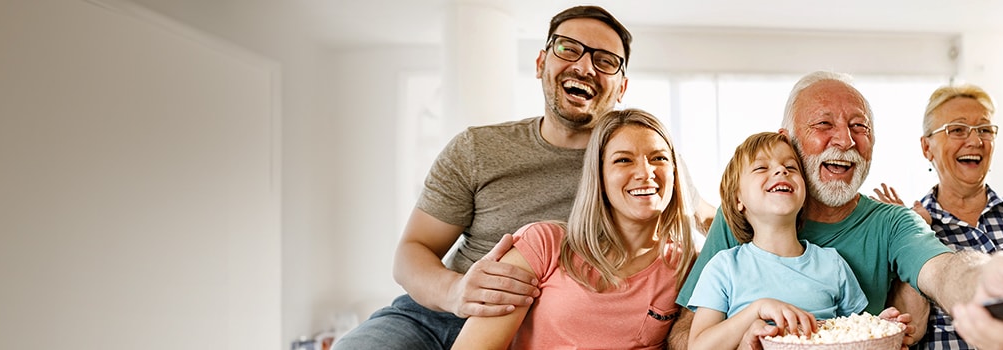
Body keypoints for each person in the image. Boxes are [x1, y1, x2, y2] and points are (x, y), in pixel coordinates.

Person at [334, 6, 714, 349]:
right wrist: (457, 292)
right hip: (435, 317)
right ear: (540, 63)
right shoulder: (477, 149)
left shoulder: (642, 166)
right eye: (569, 49)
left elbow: (713, 221)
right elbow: (411, 253)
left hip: (538, 326)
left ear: (622, 88)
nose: (585, 67)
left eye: (605, 61)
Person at [669, 71, 1003, 350]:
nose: (846, 141)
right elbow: (684, 336)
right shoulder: (741, 221)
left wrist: (987, 283)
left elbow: (945, 270)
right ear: (789, 139)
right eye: (823, 125)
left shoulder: (892, 222)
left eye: (860, 127)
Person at [451, 109, 696, 349]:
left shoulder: (686, 265)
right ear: (599, 179)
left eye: (659, 158)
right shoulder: (542, 244)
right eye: (623, 160)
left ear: (675, 173)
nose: (645, 173)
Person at [871, 83, 1003, 350]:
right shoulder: (910, 227)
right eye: (957, 130)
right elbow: (910, 329)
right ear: (927, 147)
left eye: (985, 130)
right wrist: (915, 230)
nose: (975, 141)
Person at [688, 131, 897, 350]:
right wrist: (757, 310)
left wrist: (882, 328)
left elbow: (855, 331)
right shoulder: (724, 267)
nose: (781, 170)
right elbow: (698, 347)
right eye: (761, 167)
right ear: (738, 199)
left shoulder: (832, 264)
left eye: (791, 167)